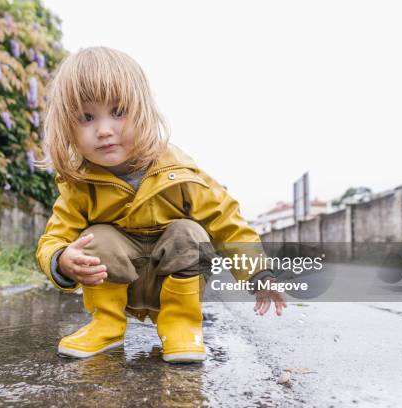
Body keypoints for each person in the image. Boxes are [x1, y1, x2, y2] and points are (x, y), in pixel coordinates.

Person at [35, 46, 286, 363]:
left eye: (118, 112)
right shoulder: (79, 185)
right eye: (87, 117)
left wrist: (258, 275)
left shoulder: (179, 171)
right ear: (67, 127)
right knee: (94, 237)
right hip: (116, 286)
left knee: (190, 233)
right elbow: (53, 239)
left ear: (142, 110)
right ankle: (106, 325)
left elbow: (227, 223)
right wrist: (61, 260)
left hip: (173, 281)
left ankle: (181, 325)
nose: (104, 130)